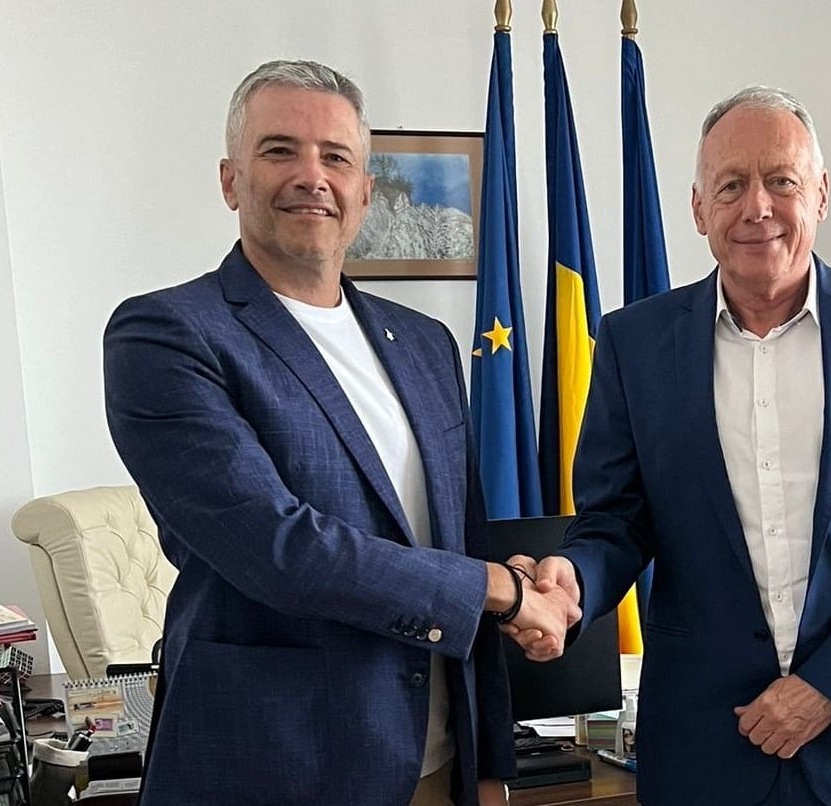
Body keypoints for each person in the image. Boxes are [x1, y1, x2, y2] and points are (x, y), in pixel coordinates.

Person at [103, 59, 579, 806]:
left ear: (364, 190)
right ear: (230, 180)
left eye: (336, 157)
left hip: (434, 765)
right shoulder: (166, 334)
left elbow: (459, 543)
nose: (311, 176)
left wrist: (489, 764)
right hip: (274, 768)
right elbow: (280, 550)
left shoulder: (424, 343)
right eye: (279, 151)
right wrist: (501, 590)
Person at [513, 86, 831, 805]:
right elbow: (614, 521)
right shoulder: (634, 343)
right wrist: (574, 579)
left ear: (820, 194)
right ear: (699, 209)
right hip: (706, 744)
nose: (757, 207)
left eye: (781, 181)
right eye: (730, 185)